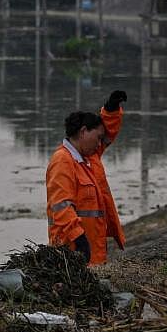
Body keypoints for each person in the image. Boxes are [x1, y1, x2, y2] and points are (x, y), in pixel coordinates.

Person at [46, 90, 127, 266]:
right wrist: (79, 238)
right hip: (72, 253)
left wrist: (111, 109)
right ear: (83, 132)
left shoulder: (88, 158)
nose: (100, 144)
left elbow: (107, 132)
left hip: (92, 252)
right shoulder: (63, 160)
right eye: (97, 138)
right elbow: (61, 206)